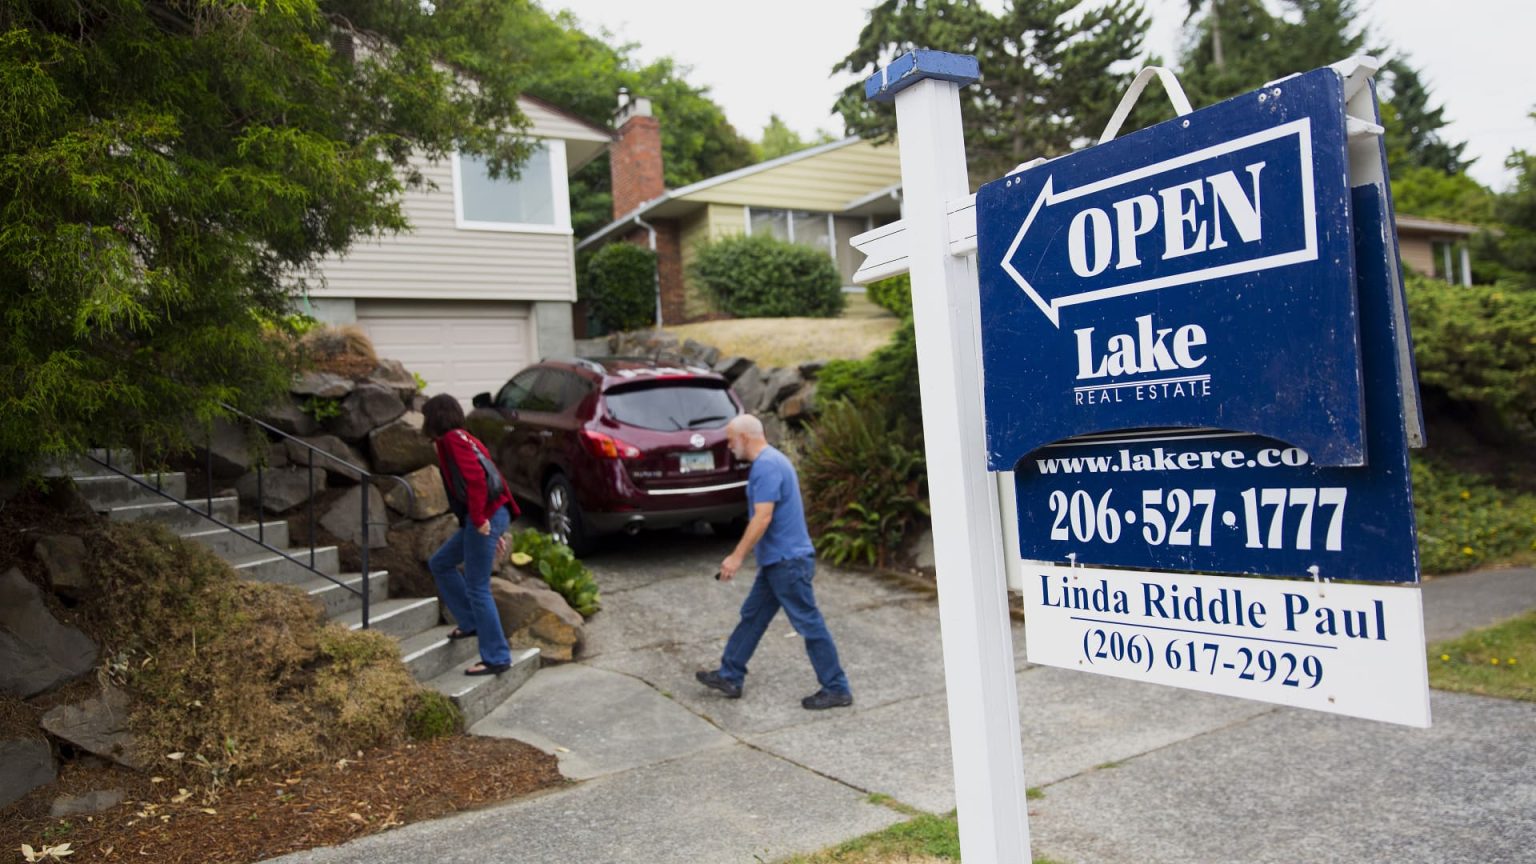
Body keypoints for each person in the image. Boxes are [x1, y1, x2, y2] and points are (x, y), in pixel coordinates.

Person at [696, 414, 853, 710]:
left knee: (809, 624)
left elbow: (763, 517)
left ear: (744, 437)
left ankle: (836, 688)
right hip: (777, 562)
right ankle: (730, 675)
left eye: (730, 440)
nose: (729, 446)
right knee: (753, 616)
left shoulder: (766, 466)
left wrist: (736, 556)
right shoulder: (773, 461)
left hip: (787, 563)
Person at [421, 393, 517, 676]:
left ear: (435, 418)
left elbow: (476, 479)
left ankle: (497, 657)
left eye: (426, 417)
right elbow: (489, 476)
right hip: (490, 515)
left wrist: (480, 520)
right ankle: (470, 621)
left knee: (477, 586)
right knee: (440, 563)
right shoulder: (464, 437)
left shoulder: (452, 440)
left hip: (484, 516)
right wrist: (490, 525)